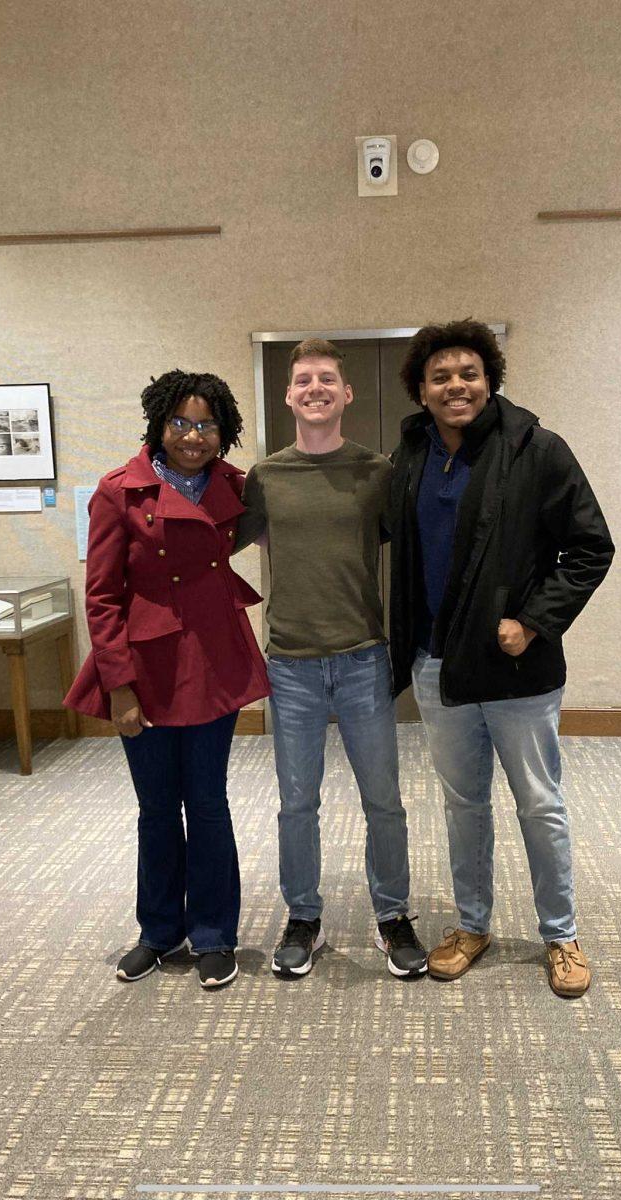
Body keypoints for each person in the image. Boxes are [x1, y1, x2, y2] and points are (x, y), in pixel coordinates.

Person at [387, 320, 615, 996]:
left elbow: (590, 547)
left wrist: (535, 623)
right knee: (464, 805)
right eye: (441, 376)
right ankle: (473, 923)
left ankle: (561, 933)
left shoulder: (537, 450)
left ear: (489, 380)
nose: (456, 385)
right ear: (421, 391)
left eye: (468, 373)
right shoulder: (411, 454)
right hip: (437, 666)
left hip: (517, 667)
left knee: (539, 804)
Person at [64, 370, 270, 990]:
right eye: (179, 422)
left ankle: (212, 933)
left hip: (213, 663)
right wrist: (118, 686)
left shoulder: (237, 487)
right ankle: (158, 931)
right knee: (156, 808)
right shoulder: (118, 491)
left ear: (223, 431)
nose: (192, 435)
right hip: (144, 670)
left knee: (207, 804)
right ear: (158, 424)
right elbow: (101, 597)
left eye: (206, 424)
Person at [236, 338, 427, 980]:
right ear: (288, 396)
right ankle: (304, 918)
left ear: (345, 395)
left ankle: (393, 915)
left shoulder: (377, 473)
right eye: (303, 380)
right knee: (297, 803)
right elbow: (220, 545)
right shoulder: (265, 477)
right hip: (290, 666)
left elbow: (417, 548)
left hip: (362, 660)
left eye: (327, 380)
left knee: (384, 799)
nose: (315, 388)